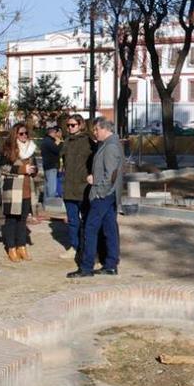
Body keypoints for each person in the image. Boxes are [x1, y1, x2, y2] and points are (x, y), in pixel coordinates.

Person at [67, 117, 123, 278]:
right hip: (108, 195)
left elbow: (111, 174)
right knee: (109, 229)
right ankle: (111, 264)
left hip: (103, 195)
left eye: (96, 130)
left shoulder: (111, 146)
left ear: (104, 129)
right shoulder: (108, 144)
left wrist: (99, 190)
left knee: (90, 229)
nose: (95, 133)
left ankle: (86, 267)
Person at [0, 122, 38, 263]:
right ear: (15, 134)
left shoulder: (31, 149)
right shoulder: (8, 149)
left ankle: (22, 246)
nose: (24, 136)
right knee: (11, 221)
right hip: (13, 190)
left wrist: (34, 170)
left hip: (27, 189)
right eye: (21, 133)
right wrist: (22, 170)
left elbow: (36, 168)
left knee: (22, 221)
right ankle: (11, 247)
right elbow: (3, 167)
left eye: (26, 133)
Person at [59, 114, 94, 259]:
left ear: (80, 125)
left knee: (87, 220)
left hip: (84, 187)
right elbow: (62, 160)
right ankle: (74, 246)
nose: (70, 128)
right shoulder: (66, 142)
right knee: (72, 220)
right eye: (68, 125)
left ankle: (87, 247)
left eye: (73, 125)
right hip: (69, 186)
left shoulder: (88, 141)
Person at [40, 125, 62, 209]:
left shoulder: (46, 141)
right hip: (51, 166)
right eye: (55, 133)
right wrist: (59, 142)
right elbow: (57, 150)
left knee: (47, 186)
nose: (56, 134)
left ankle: (46, 203)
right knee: (51, 187)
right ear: (52, 133)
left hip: (47, 165)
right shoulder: (49, 142)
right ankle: (50, 204)